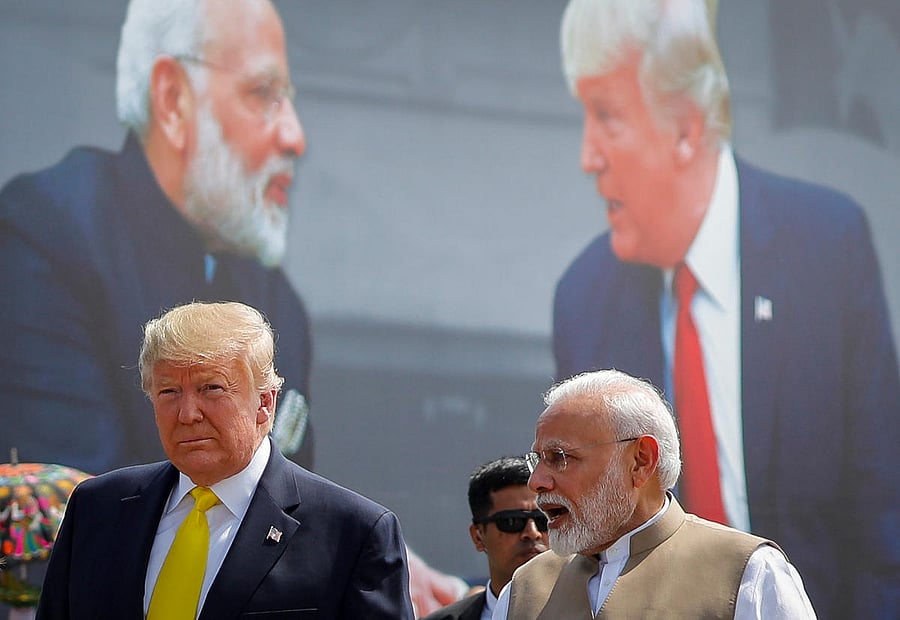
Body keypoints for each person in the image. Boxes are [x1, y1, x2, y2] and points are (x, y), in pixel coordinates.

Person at [550, 1, 900, 617]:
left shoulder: (827, 248)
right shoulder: (585, 299)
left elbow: (883, 520)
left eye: (607, 117)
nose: (586, 157)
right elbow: (585, 543)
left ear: (686, 128)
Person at [0, 0, 312, 476]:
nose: (294, 136)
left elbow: (297, 509)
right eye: (263, 92)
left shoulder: (276, 299)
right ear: (173, 100)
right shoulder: (45, 235)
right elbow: (74, 513)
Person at [35, 301, 414, 619]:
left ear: (265, 403)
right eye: (168, 391)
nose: (187, 413)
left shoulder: (353, 533)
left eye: (210, 388)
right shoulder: (97, 508)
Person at [493, 369, 815, 619]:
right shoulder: (524, 590)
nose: (536, 481)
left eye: (560, 458)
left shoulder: (748, 572)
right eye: (538, 460)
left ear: (641, 460)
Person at [422, 457, 549, 620]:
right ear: (478, 536)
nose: (532, 532)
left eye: (544, 520)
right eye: (511, 521)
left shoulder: (588, 612)